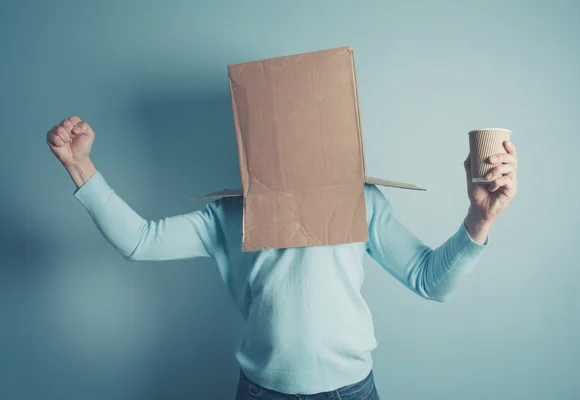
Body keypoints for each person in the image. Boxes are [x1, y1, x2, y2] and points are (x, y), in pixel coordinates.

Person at [47, 116, 518, 400]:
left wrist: (481, 218)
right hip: (260, 392)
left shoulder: (361, 201)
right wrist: (79, 164)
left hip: (349, 391)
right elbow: (140, 241)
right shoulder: (232, 211)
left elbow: (429, 280)